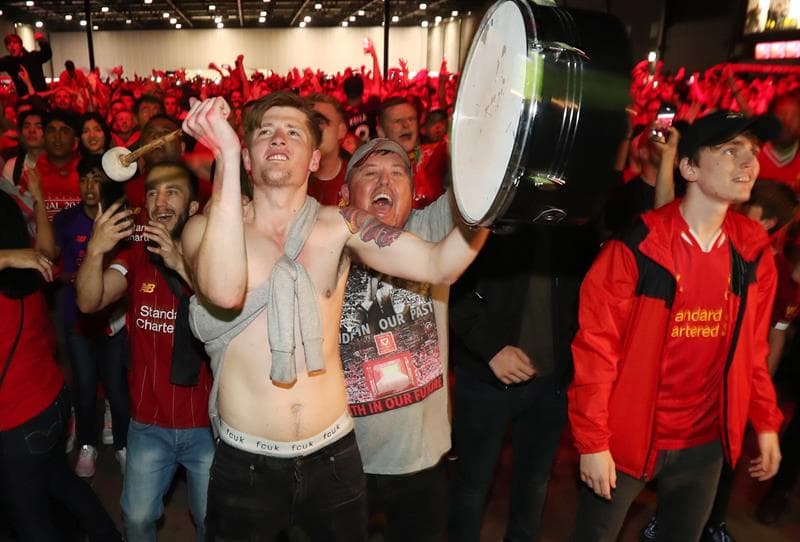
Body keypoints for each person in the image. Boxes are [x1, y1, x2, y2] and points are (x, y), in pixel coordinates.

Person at [180, 92, 486, 540]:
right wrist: (223, 157)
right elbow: (224, 290)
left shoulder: (340, 226)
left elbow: (440, 264)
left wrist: (493, 200)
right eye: (265, 132)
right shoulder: (203, 231)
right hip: (246, 464)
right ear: (246, 157)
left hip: (334, 458)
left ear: (314, 159)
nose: (279, 138)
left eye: (293, 132)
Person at [569, 111, 784, 542]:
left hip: (705, 442)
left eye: (752, 151)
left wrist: (765, 421)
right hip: (628, 437)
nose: (750, 163)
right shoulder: (637, 246)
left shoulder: (752, 251)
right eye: (730, 151)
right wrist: (593, 441)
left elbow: (753, 350)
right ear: (688, 168)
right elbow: (596, 350)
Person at [76, 161, 213, 541]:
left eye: (172, 192)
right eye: (152, 193)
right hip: (149, 423)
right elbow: (89, 302)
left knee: (211, 520)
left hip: (207, 425)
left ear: (193, 207)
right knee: (136, 519)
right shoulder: (137, 255)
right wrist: (95, 250)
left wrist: (180, 264)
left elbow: (224, 310)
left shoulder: (213, 257)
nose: (160, 201)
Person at [338, 139, 466, 541]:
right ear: (345, 192)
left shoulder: (429, 229)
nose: (385, 182)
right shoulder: (326, 243)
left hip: (422, 457)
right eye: (370, 173)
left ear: (412, 192)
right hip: (344, 454)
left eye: (398, 174)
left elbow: (479, 191)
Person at [448, 220, 601, 542]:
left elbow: (590, 294)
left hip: (552, 382)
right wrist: (490, 348)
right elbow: (449, 284)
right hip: (484, 379)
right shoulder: (492, 208)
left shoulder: (578, 217)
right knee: (472, 483)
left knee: (534, 483)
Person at [0, 186, 122, 541]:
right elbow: (45, 249)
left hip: (16, 422)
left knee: (29, 519)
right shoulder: (28, 273)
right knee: (62, 482)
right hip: (50, 403)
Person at [54, 156, 130, 478]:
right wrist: (72, 277)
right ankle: (88, 444)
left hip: (113, 322)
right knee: (84, 388)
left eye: (96, 179)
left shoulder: (120, 220)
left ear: (107, 183)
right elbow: (52, 264)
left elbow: (129, 268)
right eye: (84, 179)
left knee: (116, 388)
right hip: (78, 321)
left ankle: (124, 444)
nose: (89, 186)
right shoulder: (66, 220)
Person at [378, 96, 447, 209]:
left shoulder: (436, 154)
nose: (406, 125)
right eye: (397, 121)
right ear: (381, 132)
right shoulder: (374, 172)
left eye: (411, 119)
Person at [306, 92, 350, 206]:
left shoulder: (357, 179)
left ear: (341, 131)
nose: (314, 129)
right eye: (309, 123)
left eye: (321, 122)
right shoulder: (291, 180)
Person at [0, 32, 51, 97]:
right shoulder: (8, 62)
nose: (11, 46)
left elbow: (47, 54)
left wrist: (42, 41)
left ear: (21, 46)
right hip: (24, 99)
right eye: (8, 44)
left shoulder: (33, 56)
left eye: (15, 43)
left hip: (41, 96)